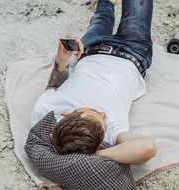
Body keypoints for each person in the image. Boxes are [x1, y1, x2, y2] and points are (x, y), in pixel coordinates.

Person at [31, 0, 157, 164]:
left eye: (96, 112)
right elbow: (148, 148)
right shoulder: (111, 133)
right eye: (103, 120)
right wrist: (95, 156)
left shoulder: (45, 111)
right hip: (133, 51)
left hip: (90, 49)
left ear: (66, 114)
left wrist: (61, 58)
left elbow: (54, 86)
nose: (104, 115)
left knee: (101, 18)